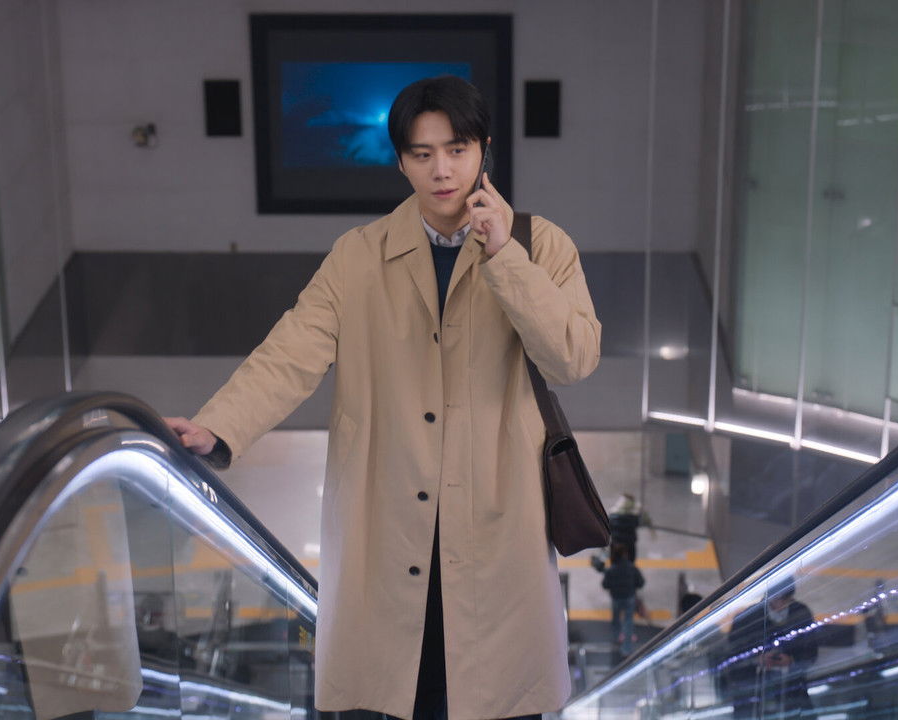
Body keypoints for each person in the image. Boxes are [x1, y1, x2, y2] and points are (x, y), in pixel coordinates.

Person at [164, 75, 601, 720]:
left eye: (456, 150)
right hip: (391, 532)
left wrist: (504, 255)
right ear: (400, 162)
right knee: (396, 698)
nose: (441, 170)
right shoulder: (359, 256)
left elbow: (573, 357)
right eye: (422, 154)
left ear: (484, 149)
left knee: (499, 700)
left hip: (496, 530)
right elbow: (291, 351)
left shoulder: (541, 245)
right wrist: (217, 426)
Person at [724, 577, 818, 719]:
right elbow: (731, 659)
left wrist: (792, 660)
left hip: (790, 689)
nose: (781, 606)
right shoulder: (746, 619)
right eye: (776, 600)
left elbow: (811, 652)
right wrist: (756, 660)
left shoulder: (800, 613)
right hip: (752, 691)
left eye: (786, 601)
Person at [600, 544, 646, 656]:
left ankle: (616, 639)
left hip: (616, 598)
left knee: (616, 619)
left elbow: (605, 585)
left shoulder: (611, 569)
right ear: (625, 555)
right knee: (628, 621)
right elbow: (641, 582)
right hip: (629, 598)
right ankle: (626, 648)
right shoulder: (631, 567)